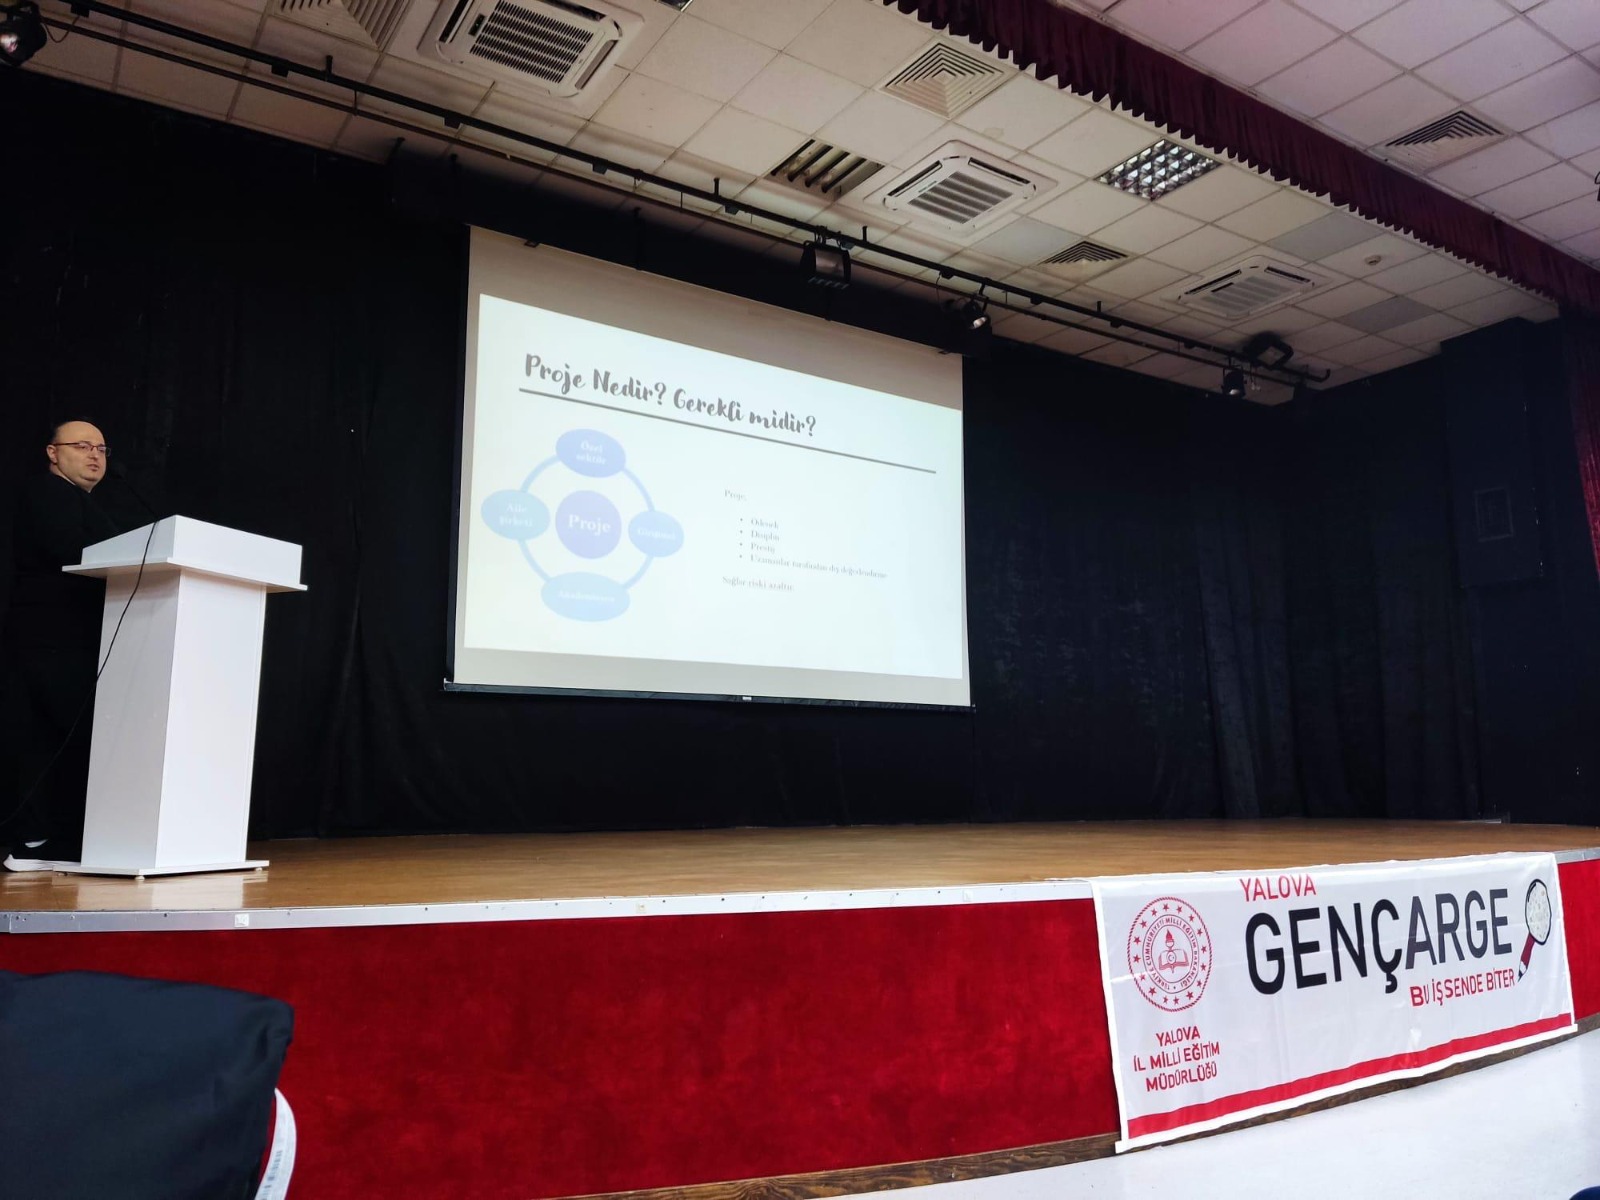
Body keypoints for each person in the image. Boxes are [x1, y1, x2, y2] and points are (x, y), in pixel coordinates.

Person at [1, 420, 122, 869]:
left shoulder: (79, 500)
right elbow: (70, 549)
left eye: (102, 449)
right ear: (53, 453)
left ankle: (39, 840)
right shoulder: (48, 493)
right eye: (83, 445)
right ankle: (46, 840)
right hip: (51, 637)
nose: (95, 455)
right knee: (58, 738)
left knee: (48, 739)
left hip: (63, 637)